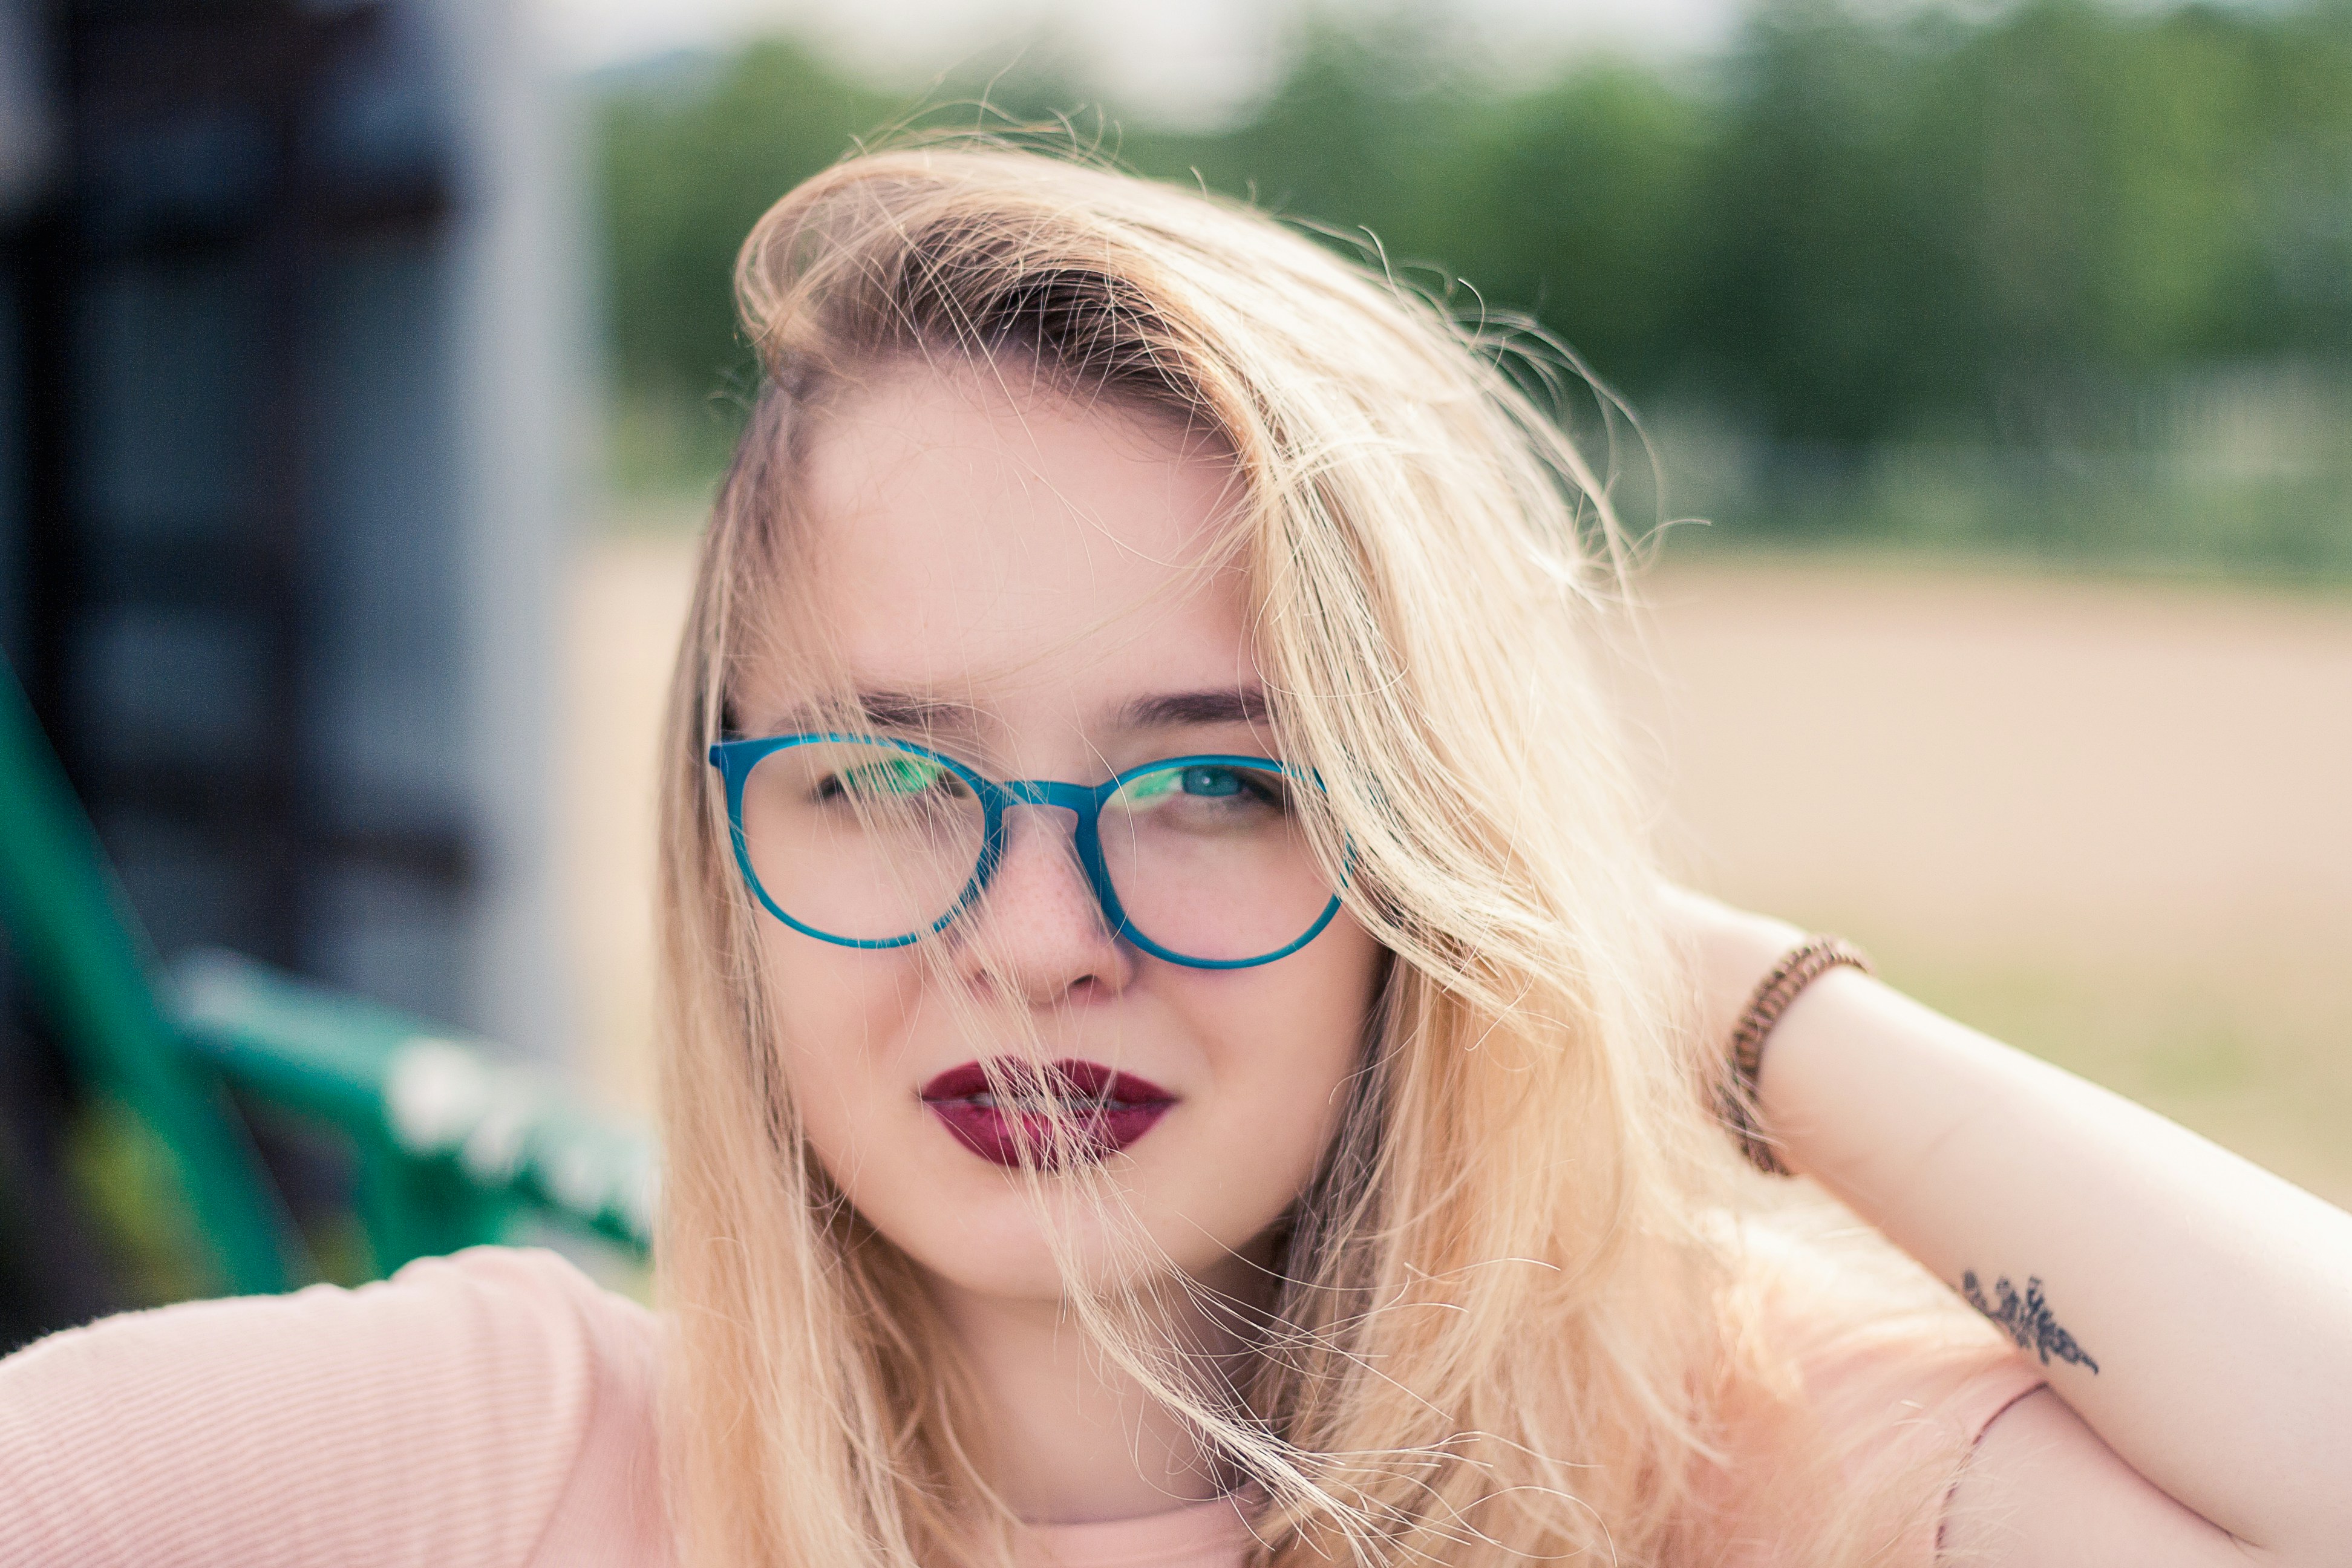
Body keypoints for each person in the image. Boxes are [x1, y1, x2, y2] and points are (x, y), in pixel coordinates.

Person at [2, 139, 2348, 1568]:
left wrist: (1717, 996)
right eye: (891, 779)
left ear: (1423, 856)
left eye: (1222, 781)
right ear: (723, 845)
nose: (1034, 942)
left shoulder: (1691, 1468)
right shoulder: (474, 1468)